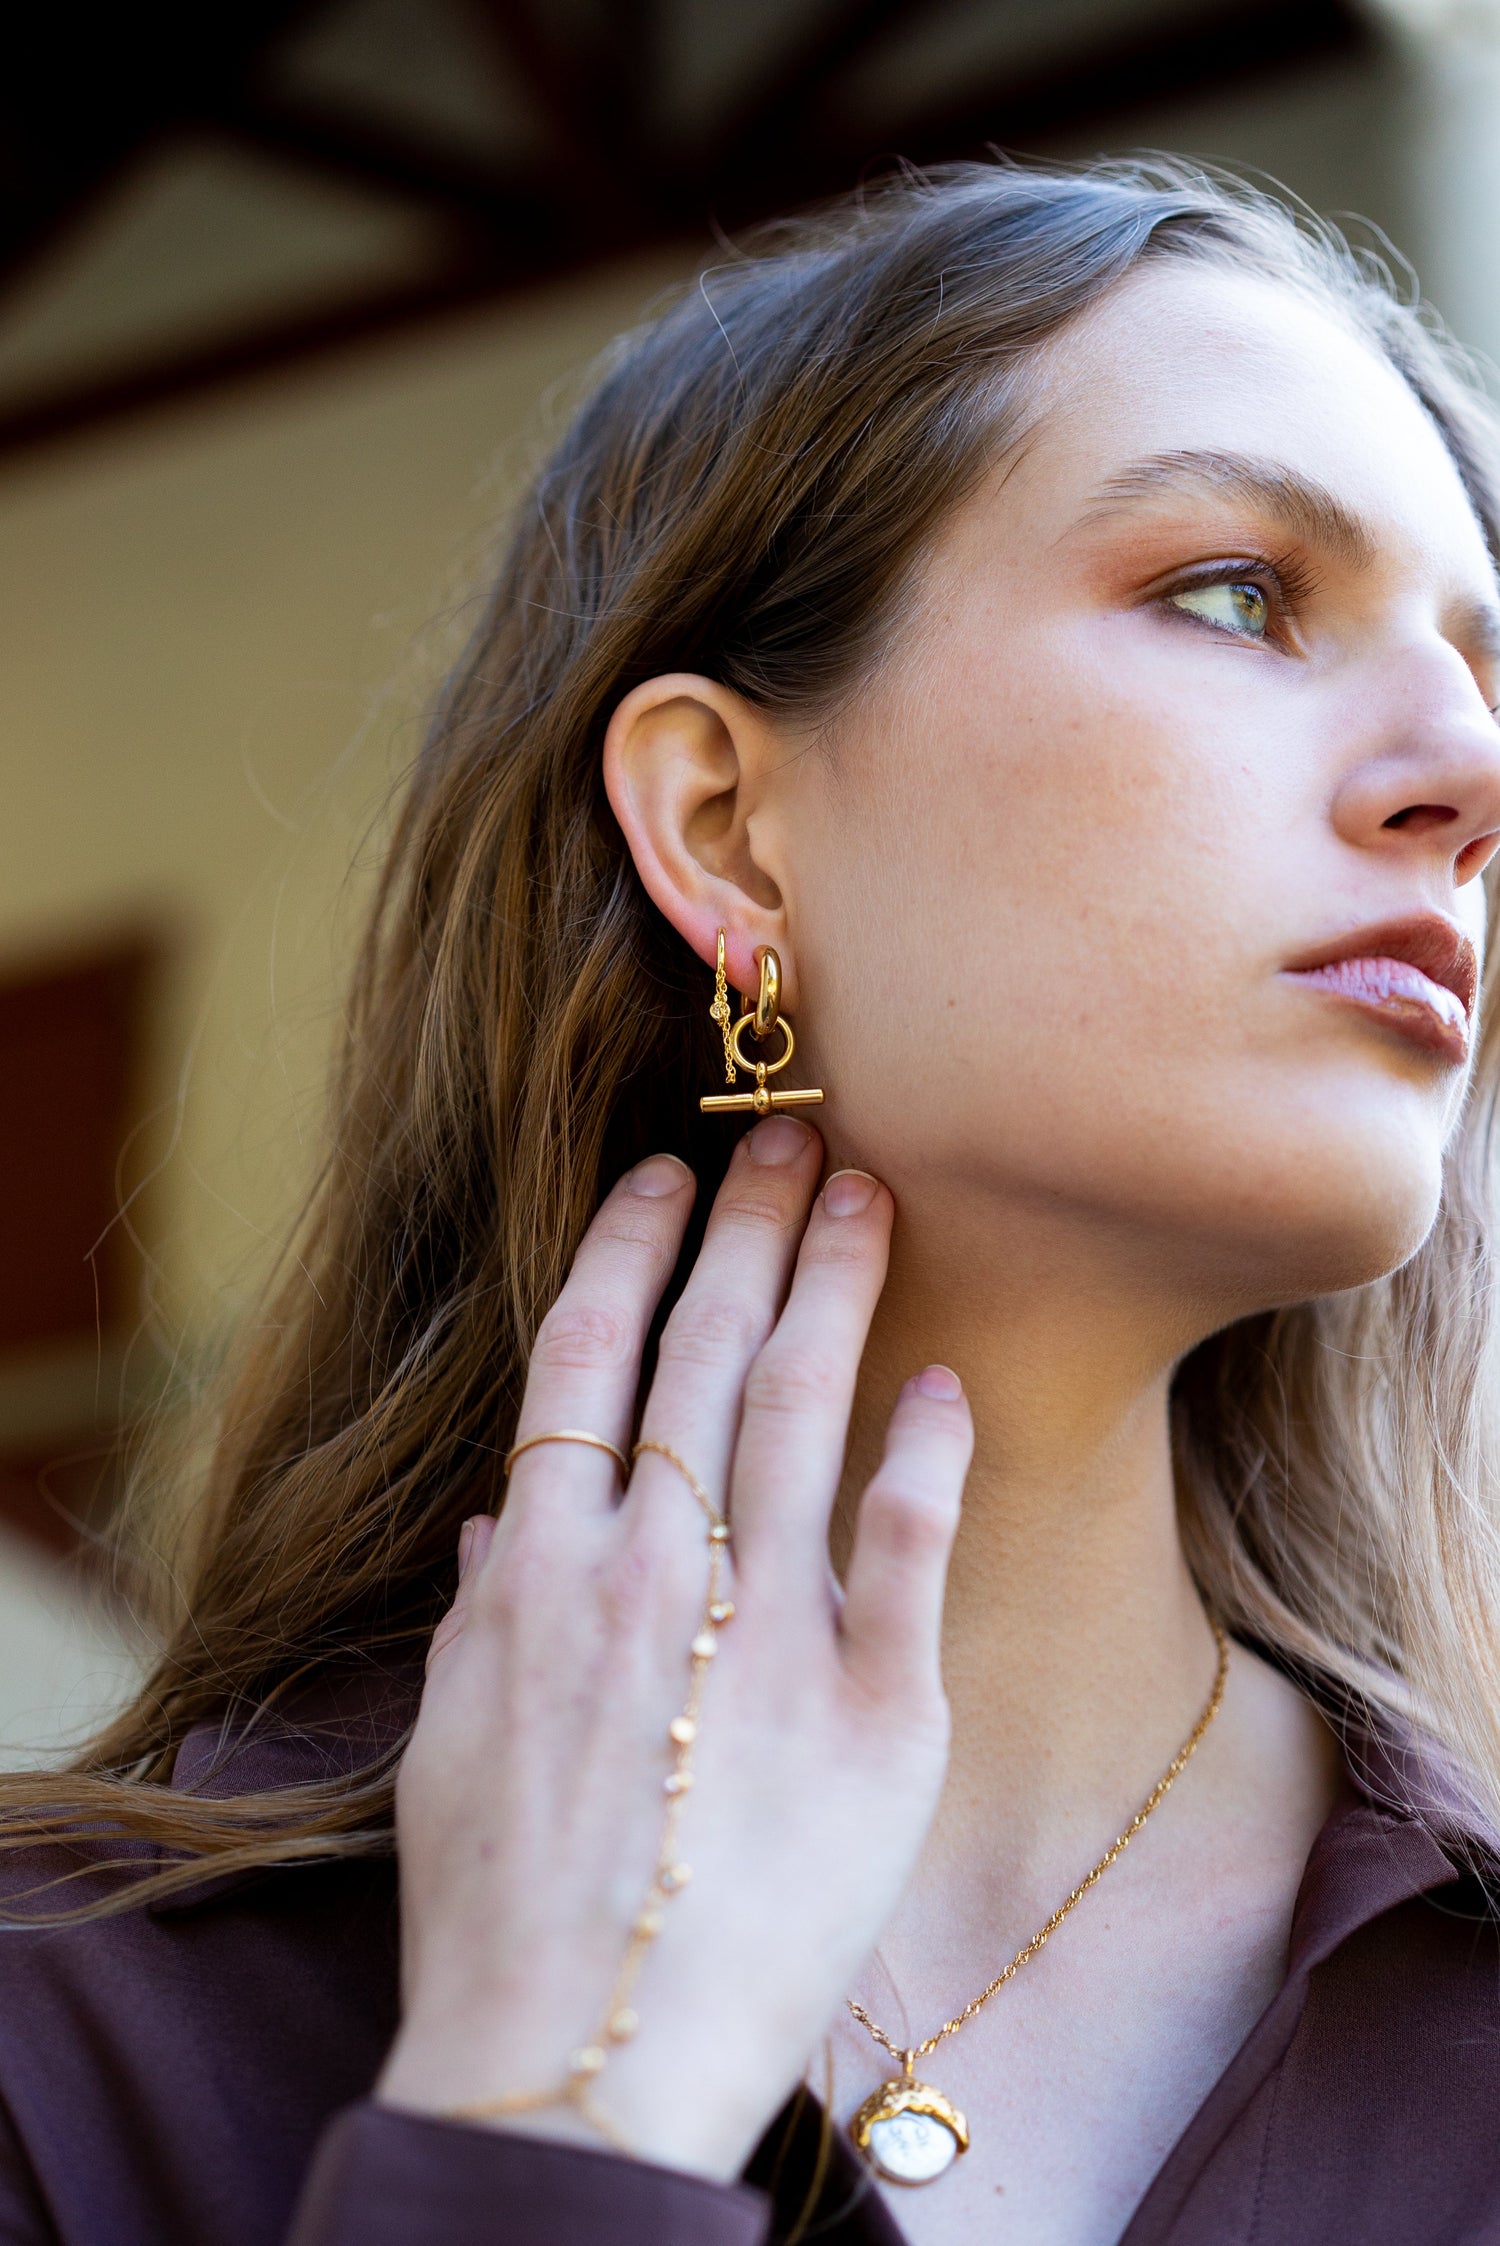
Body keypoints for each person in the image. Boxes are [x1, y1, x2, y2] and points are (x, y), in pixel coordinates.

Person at [3, 153, 1500, 2246]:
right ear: (722, 822)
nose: (1467, 773)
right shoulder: (61, 2048)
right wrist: (547, 2140)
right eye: (1237, 592)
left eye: (1486, 672)